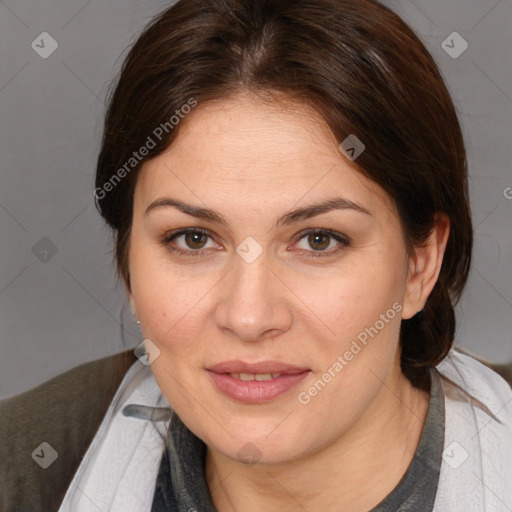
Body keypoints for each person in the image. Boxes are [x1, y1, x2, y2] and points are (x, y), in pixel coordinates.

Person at [1, 0, 511, 511]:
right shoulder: (22, 471)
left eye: (318, 240)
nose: (248, 317)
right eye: (193, 239)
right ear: (129, 264)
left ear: (420, 265)